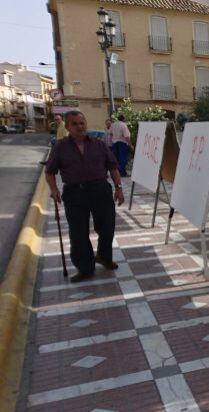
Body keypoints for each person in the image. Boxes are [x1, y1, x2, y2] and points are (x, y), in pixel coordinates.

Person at [45, 111, 125, 283]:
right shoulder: (60, 147)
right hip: (74, 193)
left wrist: (118, 188)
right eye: (74, 124)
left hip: (100, 189)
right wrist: (54, 189)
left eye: (82, 123)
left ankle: (104, 257)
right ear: (67, 127)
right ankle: (85, 268)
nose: (79, 126)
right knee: (78, 232)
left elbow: (112, 168)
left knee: (107, 227)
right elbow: (49, 172)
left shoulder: (99, 144)